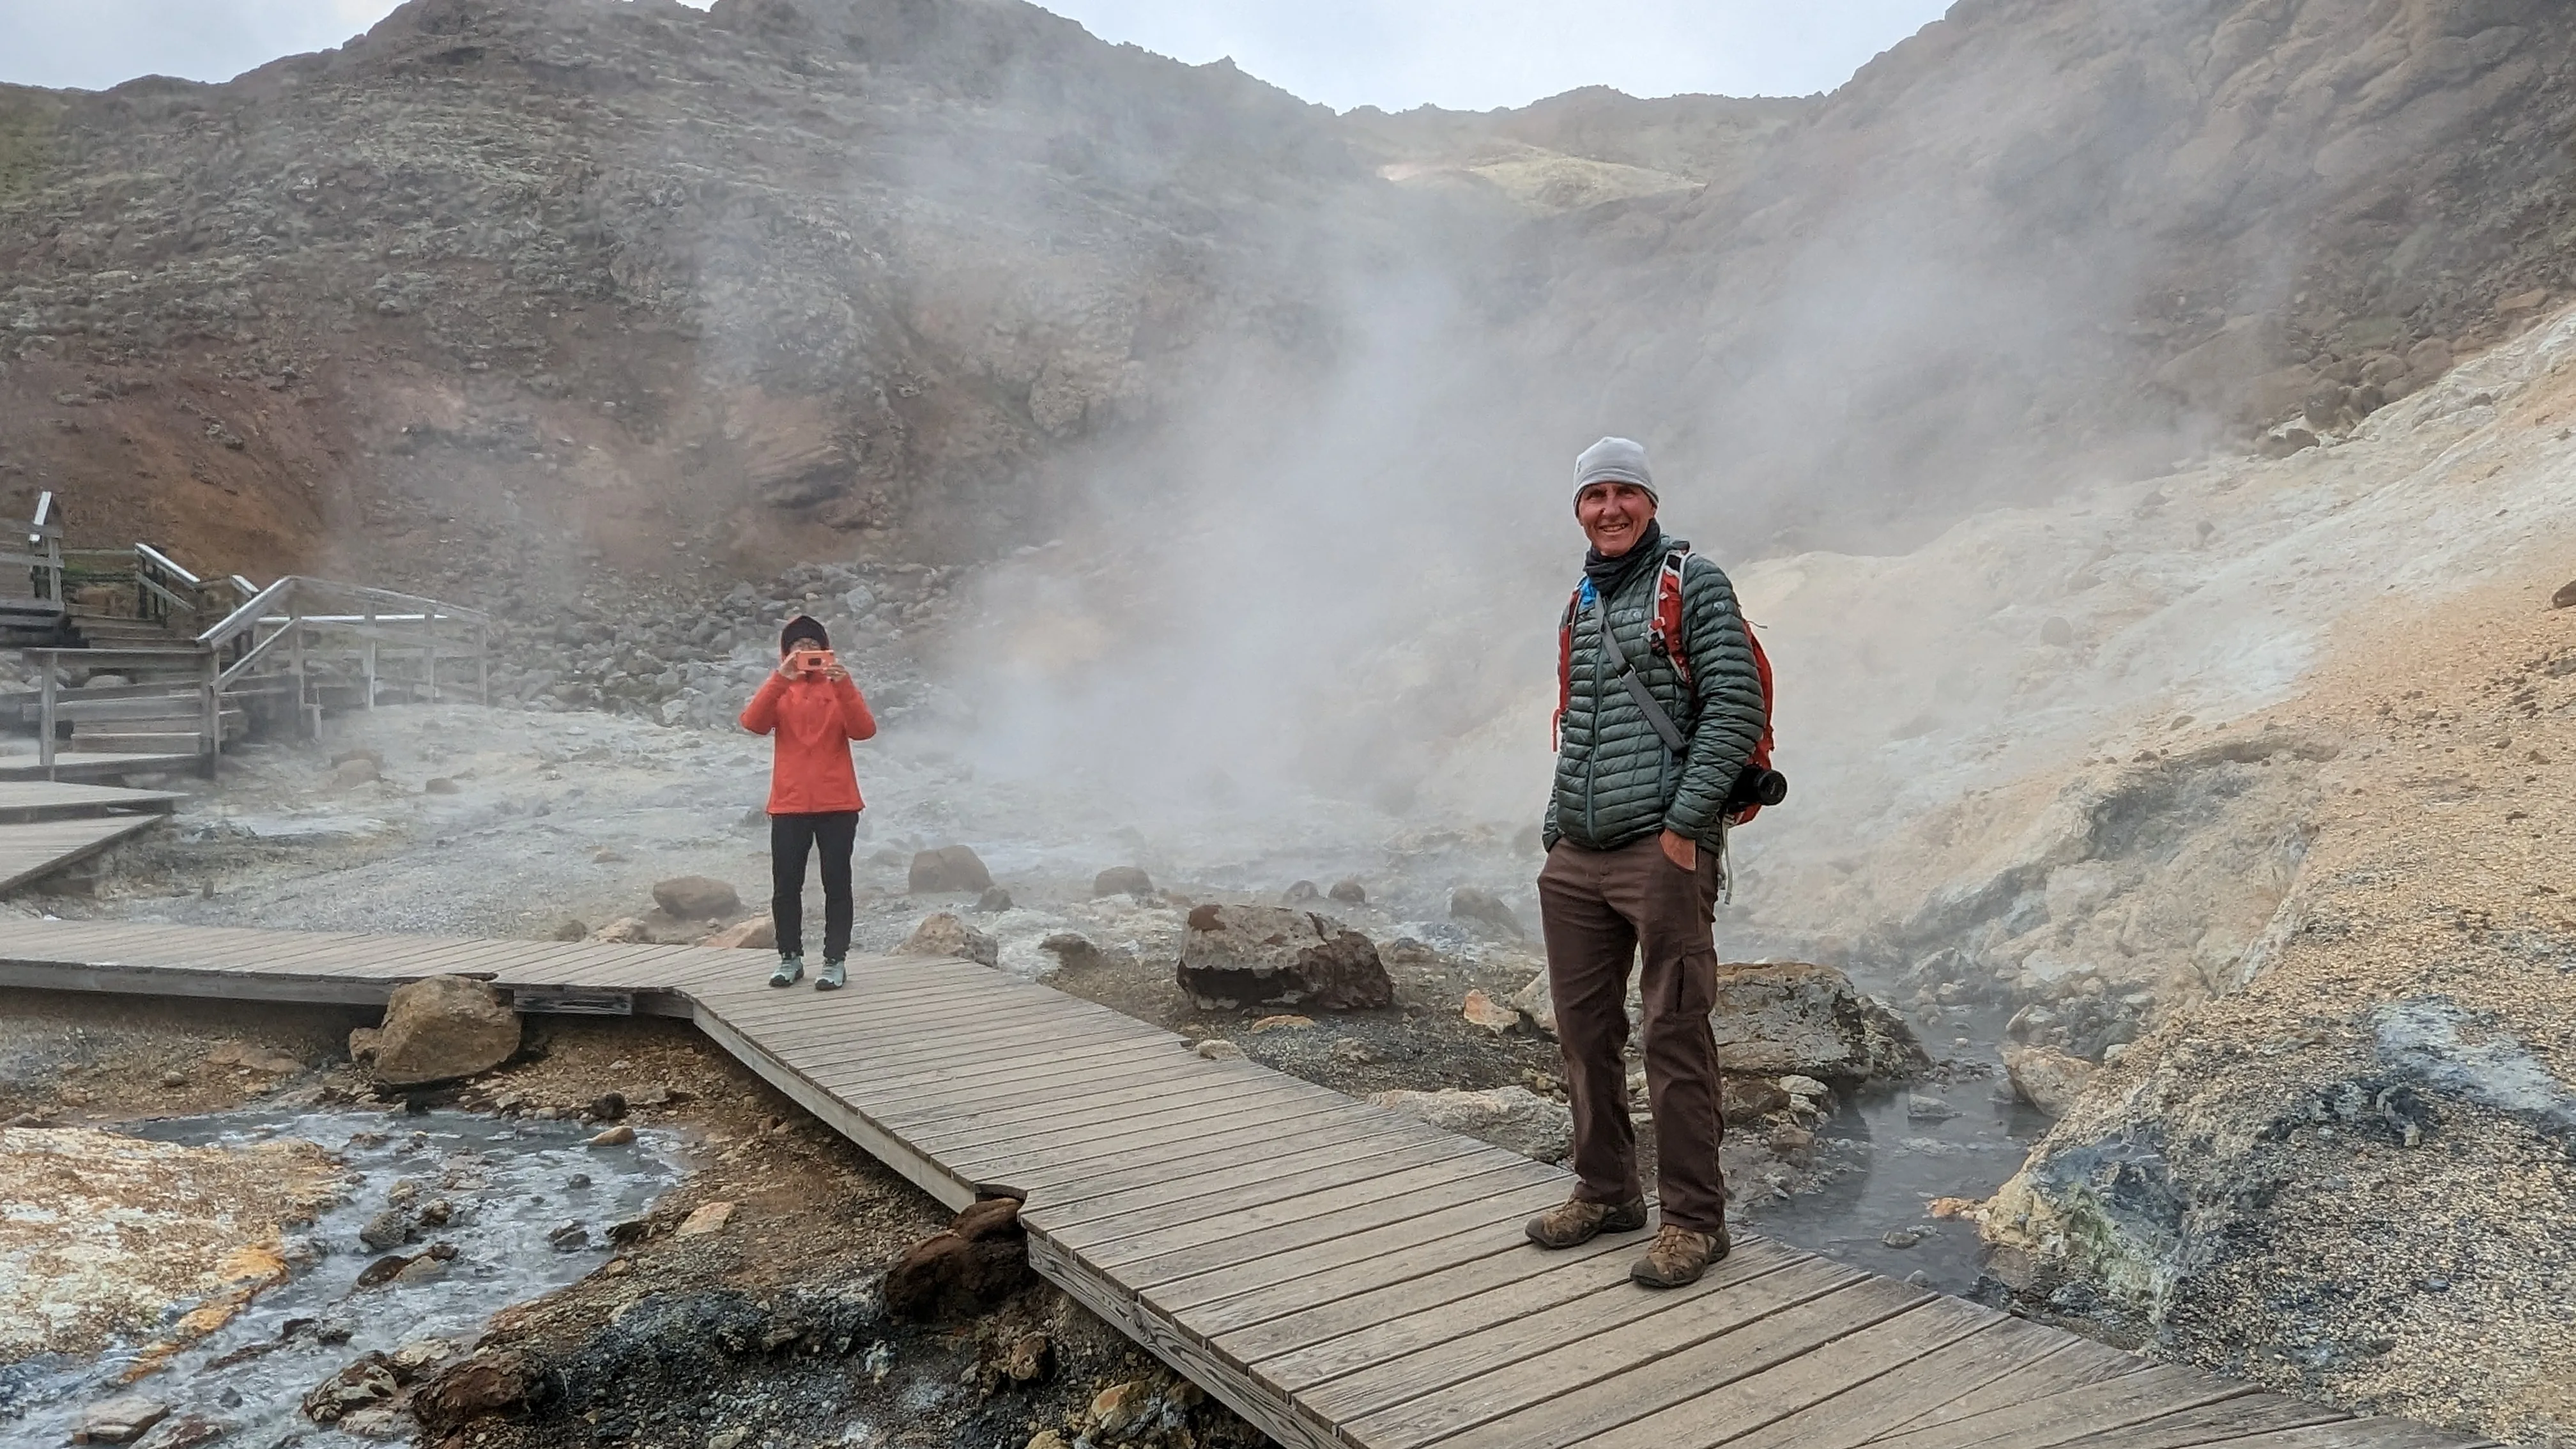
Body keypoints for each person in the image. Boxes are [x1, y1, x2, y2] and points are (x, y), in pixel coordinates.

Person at [1526, 436, 1767, 1289]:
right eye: (1596, 495)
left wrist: (1685, 827)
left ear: (1653, 504)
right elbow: (1576, 722)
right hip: (1580, 857)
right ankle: (1606, 1192)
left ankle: (1696, 1222)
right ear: (1579, 510)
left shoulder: (1693, 583)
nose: (1612, 508)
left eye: (1627, 492)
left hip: (1659, 851)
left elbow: (1735, 704)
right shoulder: (1580, 600)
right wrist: (1557, 831)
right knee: (1585, 1036)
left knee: (1674, 1033)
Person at [740, 614, 877, 990]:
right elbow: (752, 723)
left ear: (825, 650)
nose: (806, 654)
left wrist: (844, 683)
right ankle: (789, 958)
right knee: (786, 885)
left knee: (837, 882)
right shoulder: (781, 688)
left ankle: (835, 960)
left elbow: (864, 731)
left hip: (839, 803)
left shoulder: (838, 686)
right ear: (787, 652)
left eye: (813, 647)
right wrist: (779, 678)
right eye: (798, 648)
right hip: (789, 804)